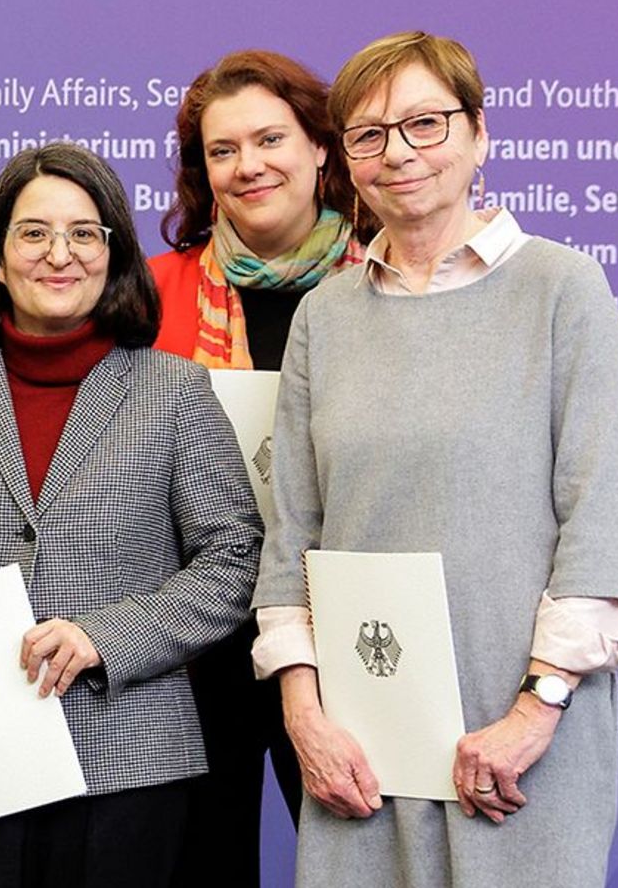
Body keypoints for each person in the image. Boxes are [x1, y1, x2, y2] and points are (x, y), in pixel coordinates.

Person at [254, 31, 618, 886]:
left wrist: (536, 710)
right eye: (368, 134)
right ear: (346, 162)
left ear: (478, 133)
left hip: (520, 747)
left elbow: (603, 520)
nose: (397, 152)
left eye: (425, 124)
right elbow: (291, 536)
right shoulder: (324, 318)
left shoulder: (563, 290)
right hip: (360, 750)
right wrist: (304, 717)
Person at [0, 143, 262, 887]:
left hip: (130, 763)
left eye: (83, 232)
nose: (58, 253)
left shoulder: (176, 390)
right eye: (33, 232)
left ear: (115, 254)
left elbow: (233, 560)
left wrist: (106, 636)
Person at [147, 49, 372, 882]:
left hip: (349, 631)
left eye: (270, 139)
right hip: (198, 643)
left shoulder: (388, 285)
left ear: (321, 146)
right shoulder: (148, 293)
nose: (249, 166)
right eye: (222, 150)